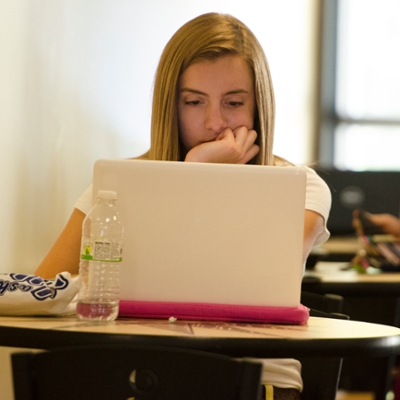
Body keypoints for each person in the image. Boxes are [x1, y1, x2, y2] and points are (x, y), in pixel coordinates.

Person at [34, 12, 331, 399]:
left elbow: (235, 289)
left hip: (254, 379)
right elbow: (42, 290)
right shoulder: (116, 186)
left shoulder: (301, 188)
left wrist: (199, 173)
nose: (214, 122)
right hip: (138, 373)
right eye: (194, 102)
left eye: (233, 102)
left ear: (258, 106)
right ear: (170, 106)